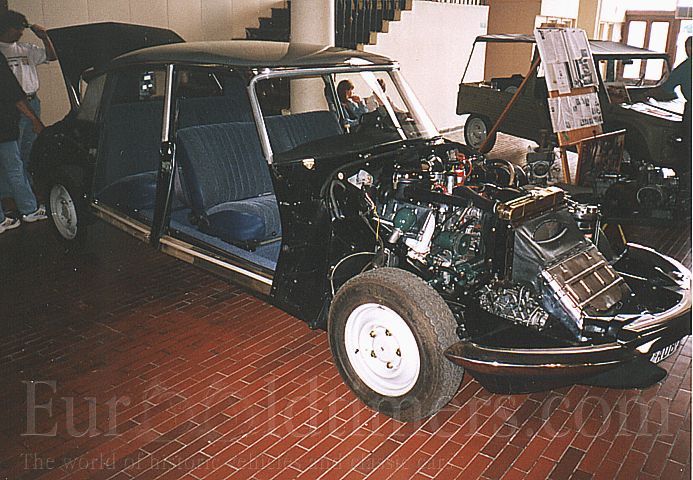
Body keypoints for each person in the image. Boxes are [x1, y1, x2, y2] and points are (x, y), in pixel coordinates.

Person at [0, 10, 56, 177]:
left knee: (29, 149)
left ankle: (27, 184)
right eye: (17, 28)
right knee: (13, 154)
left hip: (32, 102)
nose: (21, 32)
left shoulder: (26, 49)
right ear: (7, 27)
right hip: (11, 108)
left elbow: (52, 56)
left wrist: (45, 37)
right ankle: (15, 189)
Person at [0, 46, 46, 232]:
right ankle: (29, 209)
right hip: (3, 125)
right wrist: (34, 118)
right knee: (14, 167)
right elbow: (14, 94)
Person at [651, 36, 691, 168]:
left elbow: (666, 89)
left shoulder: (687, 66)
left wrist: (646, 94)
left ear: (689, 48)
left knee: (688, 147)